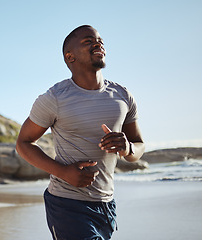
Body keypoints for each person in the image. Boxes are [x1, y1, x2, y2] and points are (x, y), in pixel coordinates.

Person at [16, 25, 145, 240]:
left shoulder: (123, 96)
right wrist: (63, 172)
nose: (98, 43)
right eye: (88, 41)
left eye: (100, 40)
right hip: (67, 204)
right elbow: (24, 142)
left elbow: (138, 147)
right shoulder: (54, 98)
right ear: (70, 57)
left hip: (106, 205)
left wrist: (128, 147)